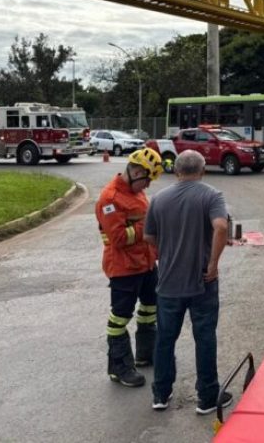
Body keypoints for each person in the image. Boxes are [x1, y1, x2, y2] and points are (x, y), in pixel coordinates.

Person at [144, 150, 231, 413]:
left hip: (169, 282)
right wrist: (213, 264)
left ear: (177, 171)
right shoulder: (211, 195)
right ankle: (207, 397)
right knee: (204, 337)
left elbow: (148, 238)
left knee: (165, 339)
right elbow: (222, 227)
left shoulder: (158, 199)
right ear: (202, 170)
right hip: (202, 281)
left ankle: (160, 394)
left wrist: (167, 251)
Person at [95, 148, 164, 388]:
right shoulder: (109, 199)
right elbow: (119, 239)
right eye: (146, 179)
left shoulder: (138, 193)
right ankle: (119, 367)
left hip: (145, 264)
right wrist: (148, 226)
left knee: (149, 308)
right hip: (124, 269)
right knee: (120, 317)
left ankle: (146, 353)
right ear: (135, 172)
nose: (147, 186)